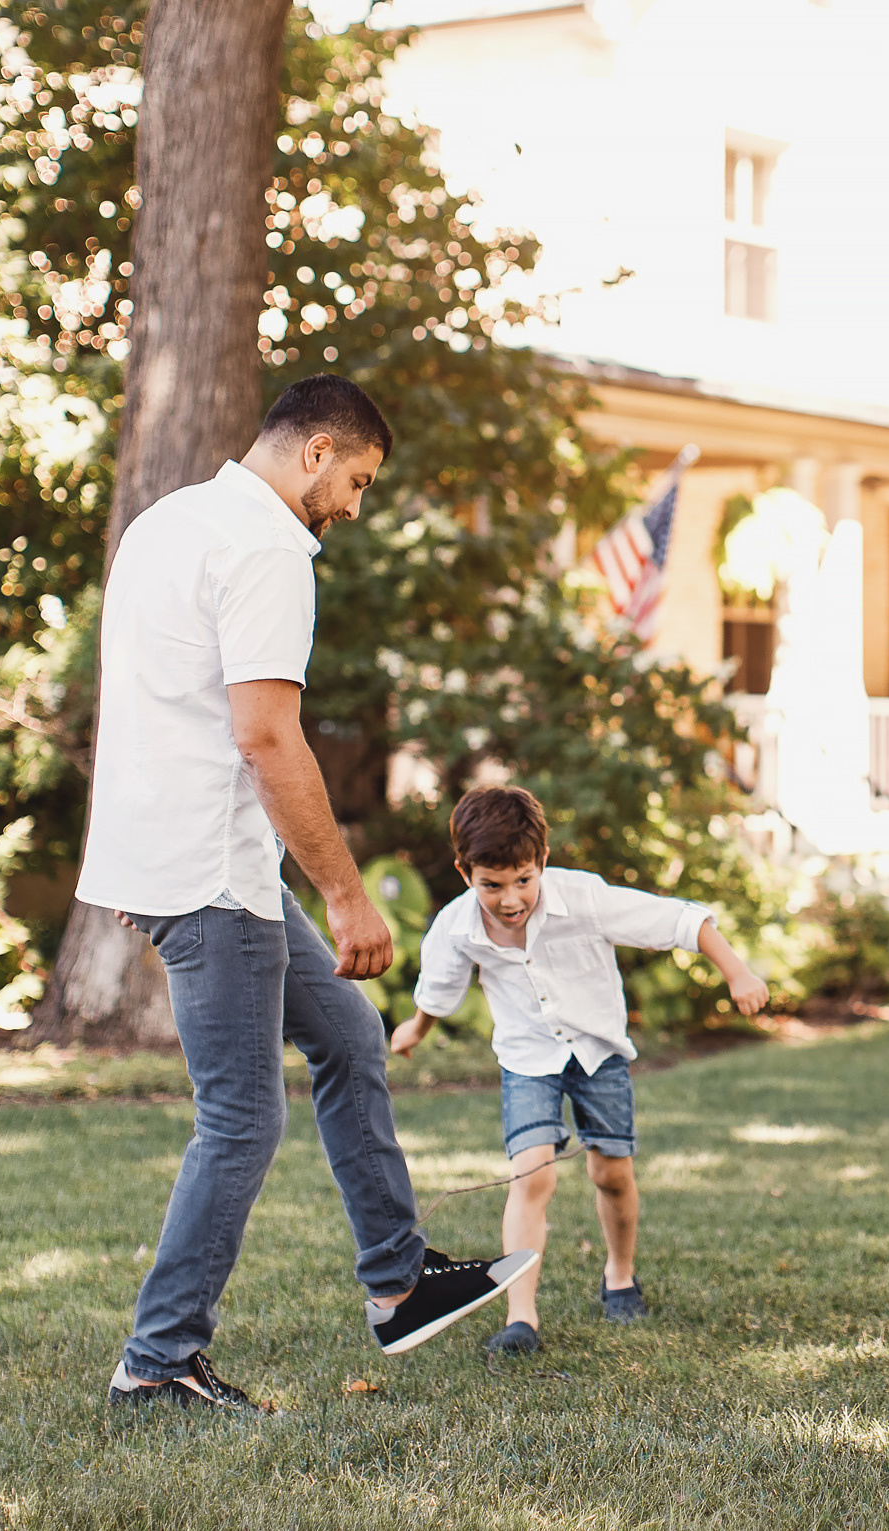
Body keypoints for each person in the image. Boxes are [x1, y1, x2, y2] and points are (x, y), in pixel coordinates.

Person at [78, 375, 533, 1412]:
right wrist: (345, 895)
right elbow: (264, 733)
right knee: (241, 1121)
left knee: (346, 1034)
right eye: (359, 481)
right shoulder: (268, 548)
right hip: (208, 871)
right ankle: (155, 1364)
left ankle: (401, 1283)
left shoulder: (169, 521)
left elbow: (147, 700)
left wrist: (128, 854)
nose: (355, 508)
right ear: (316, 450)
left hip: (189, 856)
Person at [389, 784, 770, 1356]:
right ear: (465, 872)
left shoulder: (583, 898)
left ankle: (620, 1276)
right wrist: (417, 1028)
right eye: (491, 885)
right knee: (531, 1177)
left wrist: (737, 973)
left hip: (599, 1054)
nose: (510, 898)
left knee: (610, 1173)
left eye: (523, 879)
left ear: (541, 862)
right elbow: (439, 986)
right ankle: (522, 1318)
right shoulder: (457, 924)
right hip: (527, 1061)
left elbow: (677, 921)